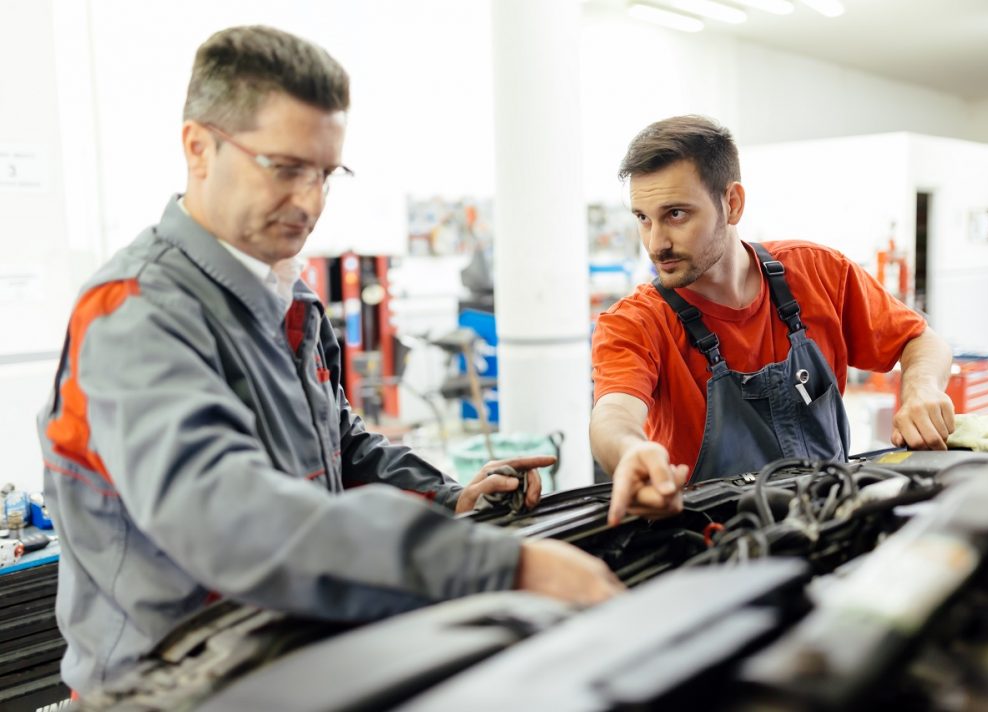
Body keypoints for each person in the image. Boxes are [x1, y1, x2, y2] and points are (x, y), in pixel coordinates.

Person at [37, 25, 621, 693]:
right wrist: (498, 566)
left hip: (288, 657)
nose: (310, 201)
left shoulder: (287, 295)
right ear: (198, 148)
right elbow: (232, 518)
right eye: (285, 168)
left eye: (325, 173)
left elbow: (338, 446)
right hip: (172, 687)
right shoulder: (135, 314)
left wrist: (449, 498)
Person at [590, 115, 955, 527]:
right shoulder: (636, 322)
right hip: (717, 548)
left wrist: (921, 388)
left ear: (732, 204)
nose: (656, 243)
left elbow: (923, 340)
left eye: (675, 214)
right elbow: (614, 414)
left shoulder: (818, 272)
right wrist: (630, 451)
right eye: (643, 218)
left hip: (835, 524)